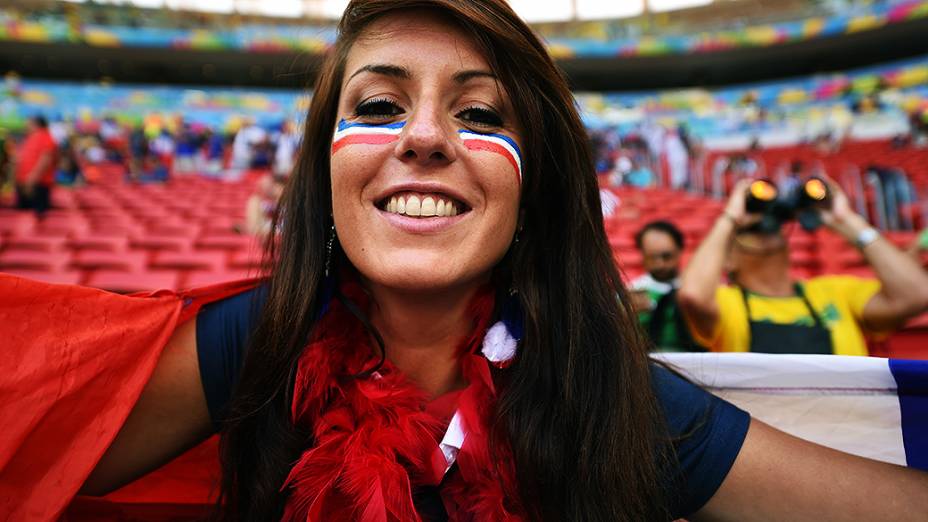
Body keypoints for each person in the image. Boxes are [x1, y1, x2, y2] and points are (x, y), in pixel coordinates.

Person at [1, 1, 926, 521]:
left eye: (482, 115)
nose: (426, 139)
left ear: (536, 190)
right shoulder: (254, 351)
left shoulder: (612, 400)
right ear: (327, 166)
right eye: (377, 104)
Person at [678, 178, 928, 355]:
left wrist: (845, 219)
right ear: (727, 259)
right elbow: (692, 295)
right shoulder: (727, 303)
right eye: (749, 230)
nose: (766, 228)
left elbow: (917, 295)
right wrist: (730, 218)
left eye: (773, 223)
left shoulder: (834, 292)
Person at [630, 221, 704, 352]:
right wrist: (627, 316)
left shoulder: (697, 289)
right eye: (651, 257)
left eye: (666, 256)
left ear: (680, 250)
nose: (659, 264)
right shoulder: (632, 293)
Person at [13, 115, 58, 216]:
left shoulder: (46, 137)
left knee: (35, 215)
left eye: (29, 123)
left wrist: (32, 178)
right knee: (22, 216)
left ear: (36, 124)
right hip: (26, 182)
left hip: (38, 184)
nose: (26, 125)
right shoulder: (30, 137)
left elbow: (46, 159)